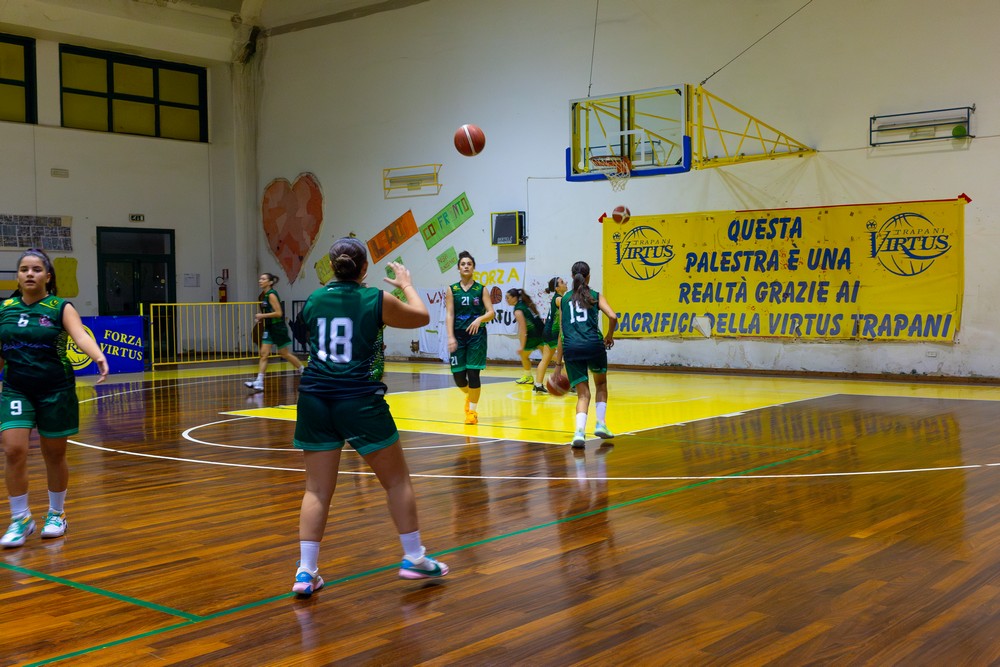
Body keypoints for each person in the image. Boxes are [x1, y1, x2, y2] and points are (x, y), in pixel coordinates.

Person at [291, 238, 448, 597]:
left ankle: (305, 572)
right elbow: (422, 316)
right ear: (364, 269)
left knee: (316, 490)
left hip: (314, 397)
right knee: (397, 482)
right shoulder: (375, 299)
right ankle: (414, 558)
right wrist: (406, 283)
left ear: (332, 268)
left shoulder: (314, 300)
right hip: (358, 398)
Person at [0, 248, 109, 548]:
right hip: (16, 389)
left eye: (36, 269)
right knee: (13, 449)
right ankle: (20, 518)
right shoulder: (5, 308)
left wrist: (97, 355)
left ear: (48, 276)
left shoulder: (60, 307)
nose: (29, 274)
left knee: (54, 454)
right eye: (24, 269)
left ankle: (56, 514)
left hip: (55, 390)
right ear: (19, 276)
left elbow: (81, 336)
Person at [556, 261, 618, 448]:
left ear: (572, 276)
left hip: (572, 348)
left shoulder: (564, 300)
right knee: (601, 384)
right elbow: (613, 317)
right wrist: (608, 335)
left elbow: (561, 331)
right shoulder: (595, 296)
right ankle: (601, 423)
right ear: (588, 276)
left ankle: (579, 433)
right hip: (593, 345)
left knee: (582, 394)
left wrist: (558, 363)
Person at [445, 251, 494, 425]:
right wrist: (450, 336)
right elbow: (450, 314)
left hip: (476, 336)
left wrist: (479, 319)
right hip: (458, 336)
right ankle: (471, 397)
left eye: (469, 264)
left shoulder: (481, 289)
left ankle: (472, 412)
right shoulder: (452, 289)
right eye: (463, 264)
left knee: (473, 374)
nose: (466, 266)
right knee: (459, 377)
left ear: (473, 268)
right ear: (458, 268)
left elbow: (491, 312)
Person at [245, 272, 304, 391]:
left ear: (270, 282)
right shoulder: (264, 295)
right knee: (264, 354)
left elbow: (279, 313)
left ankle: (303, 370)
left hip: (278, 327)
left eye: (263, 279)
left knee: (285, 354)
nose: (260, 281)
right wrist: (262, 318)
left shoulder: (272, 295)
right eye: (260, 278)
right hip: (269, 328)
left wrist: (263, 316)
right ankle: (259, 382)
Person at [505, 288, 554, 393]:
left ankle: (528, 377)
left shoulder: (518, 310)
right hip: (542, 332)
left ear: (514, 298)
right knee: (549, 356)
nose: (506, 300)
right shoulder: (525, 303)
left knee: (524, 355)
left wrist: (522, 346)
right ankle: (566, 362)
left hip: (533, 336)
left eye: (508, 298)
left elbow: (523, 329)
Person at [538, 276, 568, 388]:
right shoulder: (560, 299)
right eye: (561, 282)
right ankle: (567, 384)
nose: (565, 283)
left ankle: (538, 384)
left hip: (548, 331)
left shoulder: (557, 298)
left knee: (545, 359)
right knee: (567, 360)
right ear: (557, 288)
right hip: (554, 333)